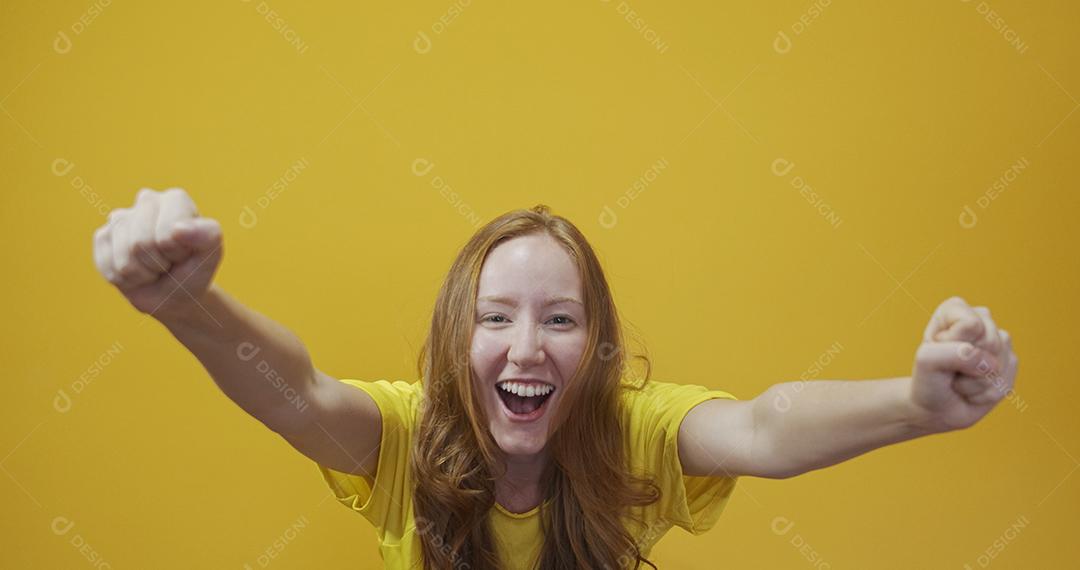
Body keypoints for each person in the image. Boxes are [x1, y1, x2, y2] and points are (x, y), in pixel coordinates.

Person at [92, 188, 1019, 569]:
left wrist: (916, 404)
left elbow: (768, 428)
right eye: (495, 318)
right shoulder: (404, 440)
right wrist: (187, 305)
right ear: (459, 342)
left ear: (600, 347)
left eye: (560, 319)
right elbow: (295, 392)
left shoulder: (635, 434)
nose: (526, 348)